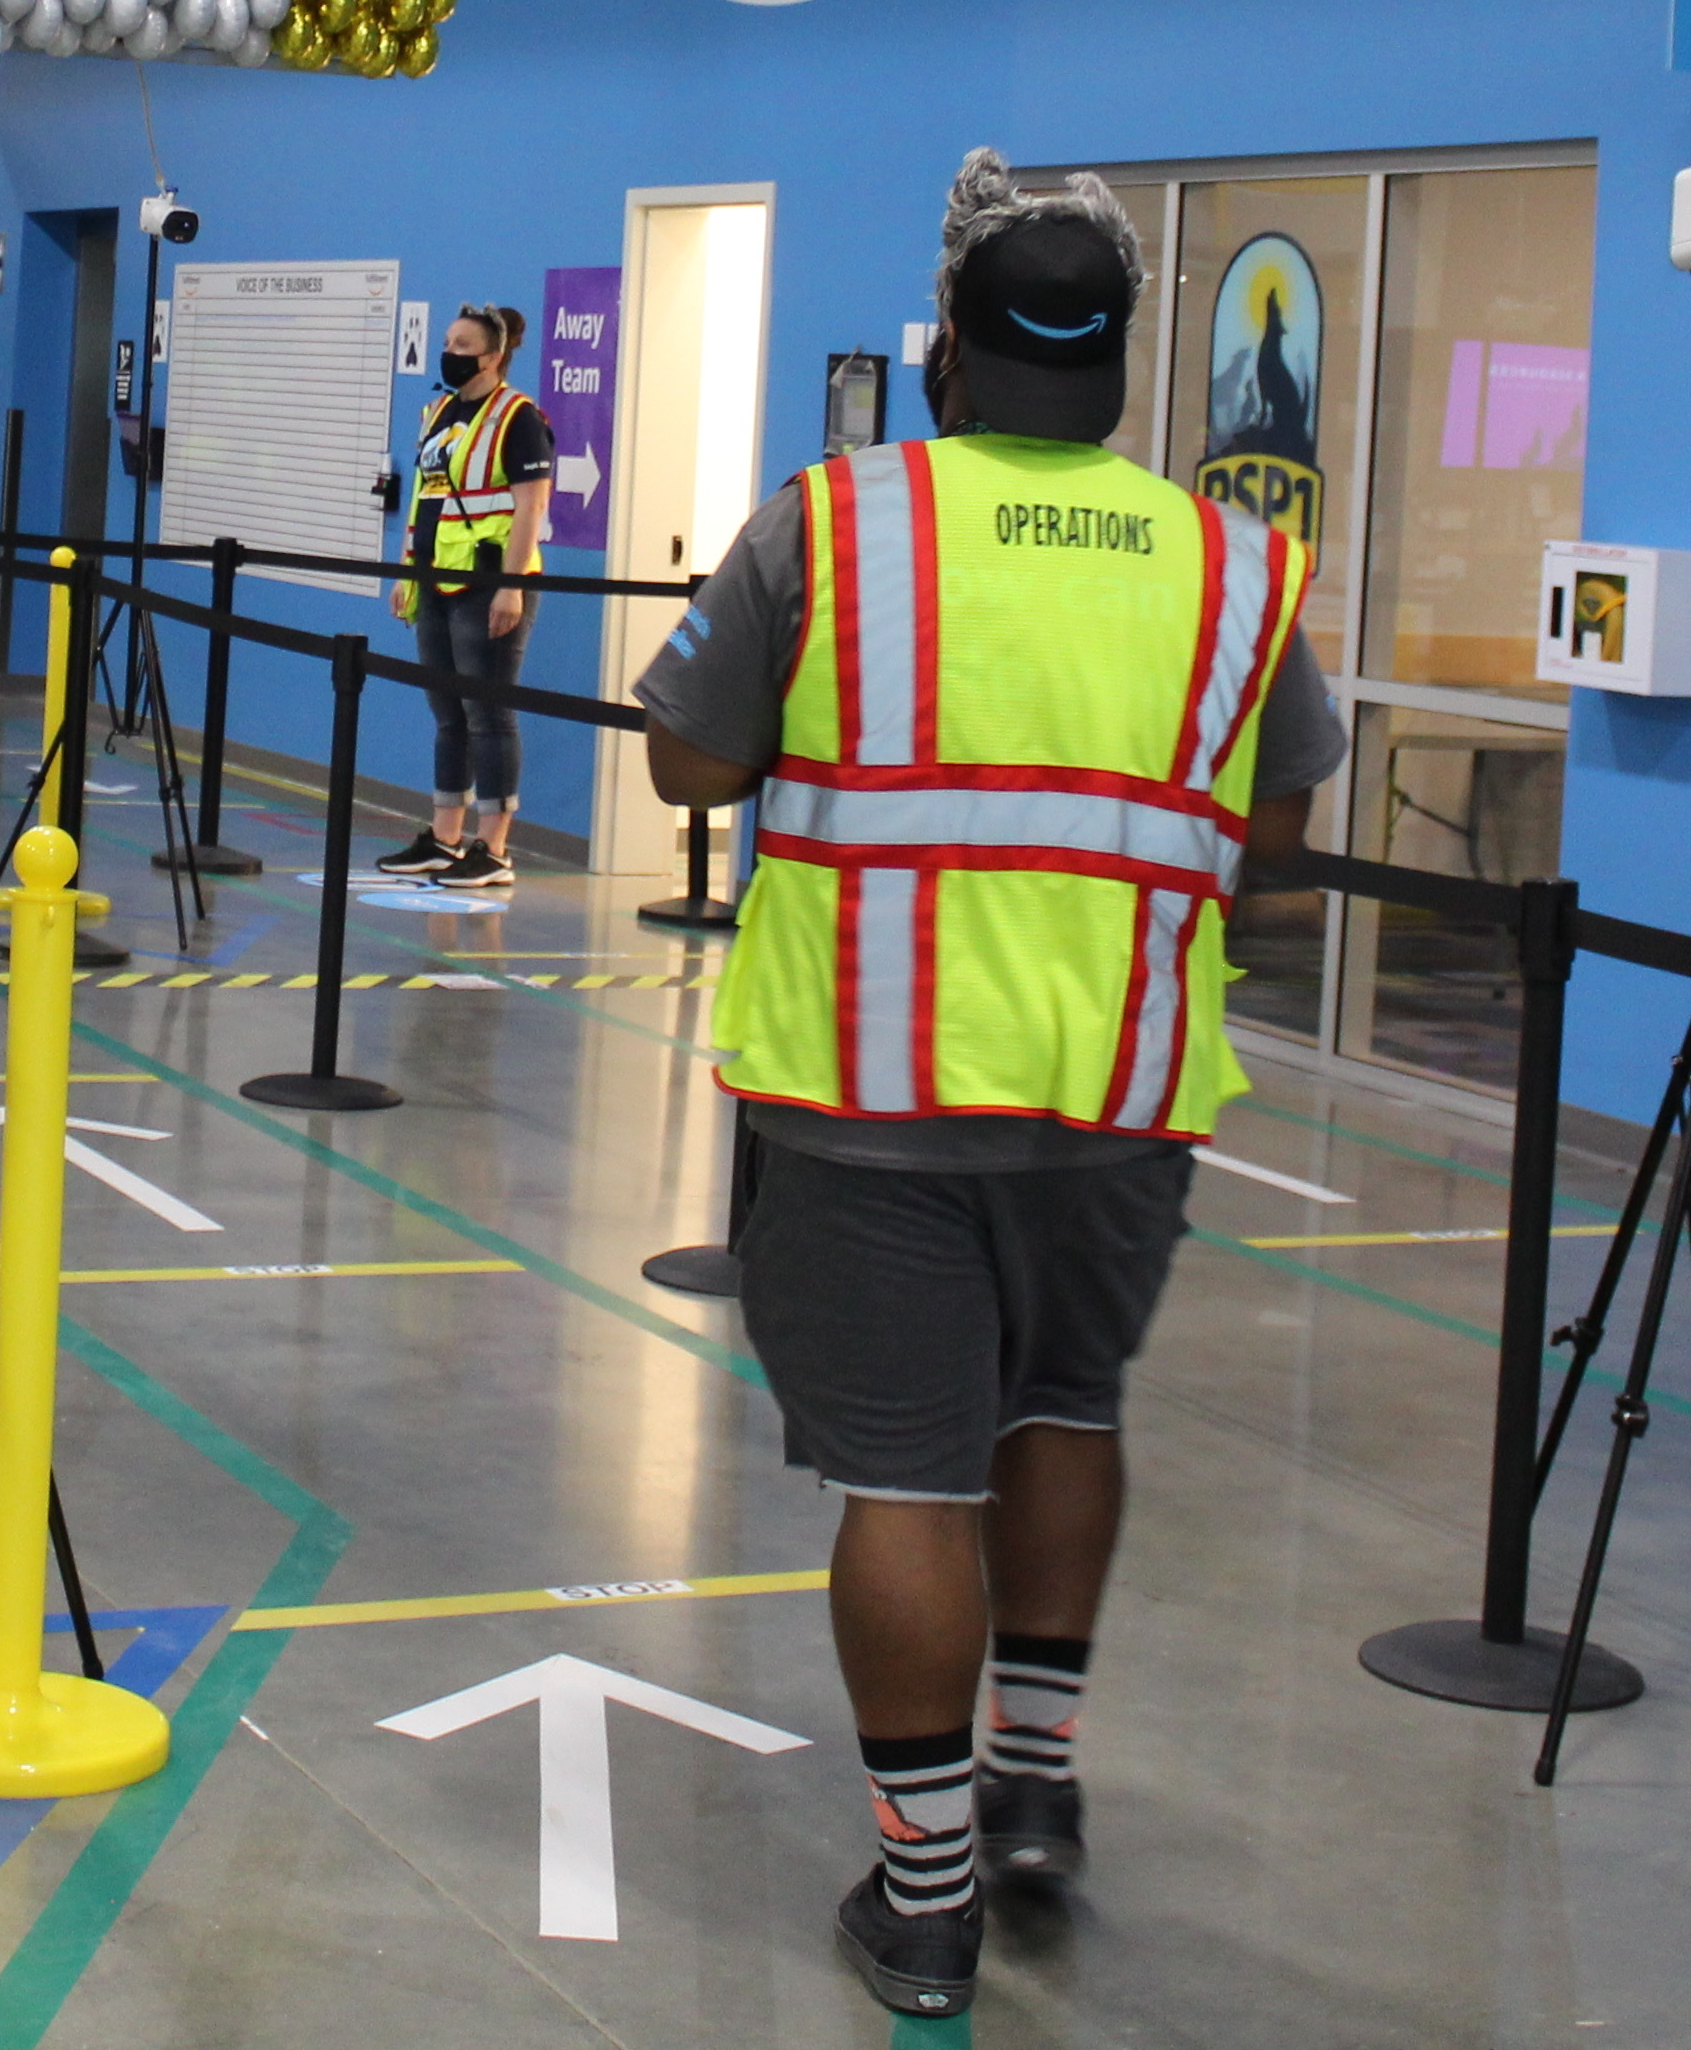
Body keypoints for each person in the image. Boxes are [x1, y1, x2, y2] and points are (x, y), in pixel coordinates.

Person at [631, 152, 1340, 2022]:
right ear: (1118, 360)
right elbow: (1266, 813)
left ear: (946, 348)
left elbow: (687, 771)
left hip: (865, 1080)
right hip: (1118, 1086)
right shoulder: (1231, 563)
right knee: (1062, 1407)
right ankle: (1032, 1785)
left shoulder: (833, 524)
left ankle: (924, 1895)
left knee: (902, 1476)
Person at [374, 300, 553, 888]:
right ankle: (445, 840)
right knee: (447, 712)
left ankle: (494, 849)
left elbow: (531, 506)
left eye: (462, 346)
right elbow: (427, 499)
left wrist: (510, 586)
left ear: (494, 356)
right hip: (436, 578)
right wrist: (407, 574)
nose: (449, 354)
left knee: (489, 713)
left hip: (489, 583)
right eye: (447, 344)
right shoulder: (440, 412)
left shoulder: (519, 417)